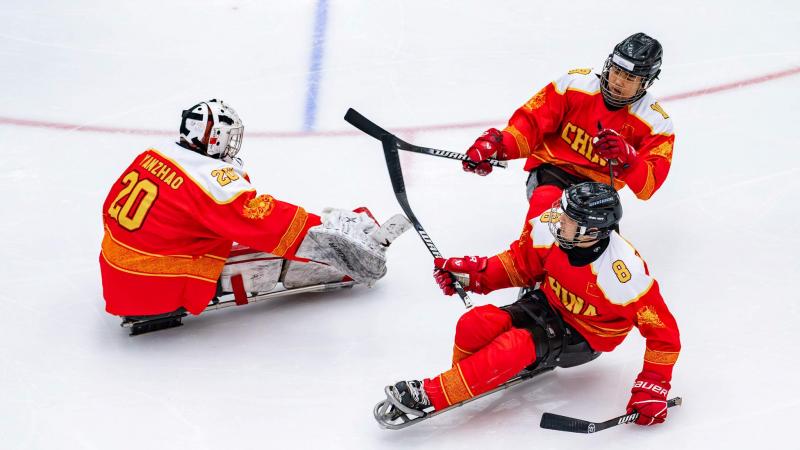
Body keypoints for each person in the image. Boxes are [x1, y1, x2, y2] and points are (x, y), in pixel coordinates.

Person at [385, 182, 680, 427]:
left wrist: (653, 384)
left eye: (568, 221)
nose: (558, 221)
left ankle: (433, 393)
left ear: (593, 231)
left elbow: (664, 336)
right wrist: (473, 276)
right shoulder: (555, 230)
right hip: (546, 303)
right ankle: (464, 379)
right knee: (474, 322)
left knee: (515, 346)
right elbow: (519, 266)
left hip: (585, 336)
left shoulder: (623, 273)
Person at [100, 99, 408, 320]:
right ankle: (346, 253)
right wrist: (328, 230)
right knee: (267, 250)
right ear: (214, 136)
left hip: (119, 271)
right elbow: (264, 221)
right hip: (154, 286)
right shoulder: (209, 181)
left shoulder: (155, 154)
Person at [462, 32, 675, 228]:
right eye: (617, 71)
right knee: (546, 227)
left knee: (588, 259)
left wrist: (628, 157)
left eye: (629, 78)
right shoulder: (574, 84)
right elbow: (532, 124)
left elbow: (648, 186)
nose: (618, 81)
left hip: (597, 194)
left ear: (645, 82)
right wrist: (499, 147)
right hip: (552, 172)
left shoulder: (656, 123)